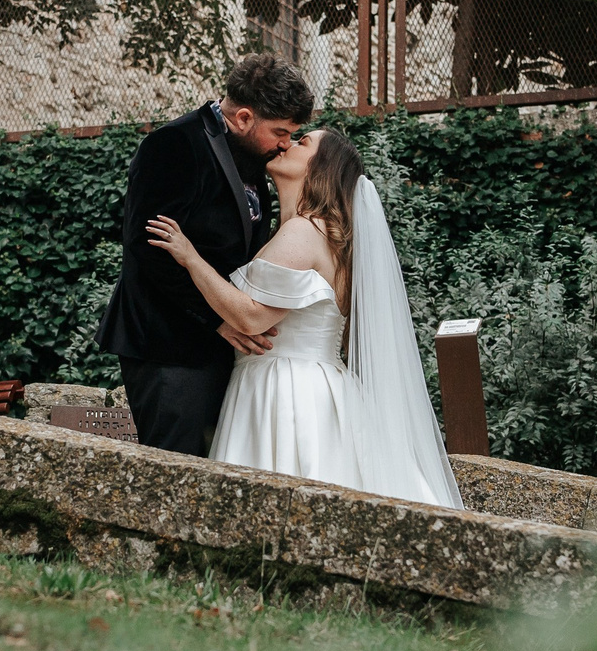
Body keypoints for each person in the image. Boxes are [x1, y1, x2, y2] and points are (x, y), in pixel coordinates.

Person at [144, 127, 462, 509]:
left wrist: (191, 259)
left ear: (320, 167)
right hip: (320, 383)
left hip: (288, 388)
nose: (287, 144)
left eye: (303, 142)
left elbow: (251, 318)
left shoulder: (303, 232)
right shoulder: (328, 236)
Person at [95, 55, 315, 454]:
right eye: (280, 131)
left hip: (218, 350)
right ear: (245, 117)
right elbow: (151, 248)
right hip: (169, 349)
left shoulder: (253, 157)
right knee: (176, 469)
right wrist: (217, 320)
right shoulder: (174, 144)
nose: (287, 143)